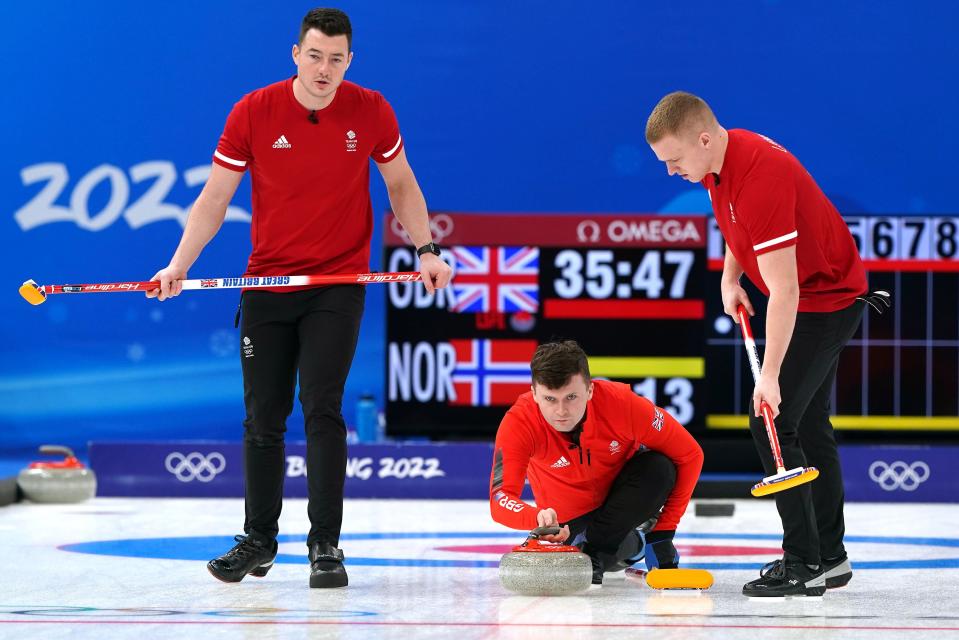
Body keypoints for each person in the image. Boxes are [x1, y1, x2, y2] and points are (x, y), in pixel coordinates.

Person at [147, 8, 452, 588]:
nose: (324, 68)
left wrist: (426, 248)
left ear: (350, 62)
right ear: (295, 53)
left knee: (322, 407)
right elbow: (214, 198)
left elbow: (401, 183)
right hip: (266, 285)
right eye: (315, 55)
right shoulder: (253, 112)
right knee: (263, 418)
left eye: (336, 58)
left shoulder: (371, 109)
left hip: (336, 286)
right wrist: (179, 266)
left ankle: (325, 545)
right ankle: (258, 540)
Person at [645, 91, 885, 597]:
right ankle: (830, 558)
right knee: (809, 425)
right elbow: (739, 230)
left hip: (827, 299)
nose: (670, 171)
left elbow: (787, 290)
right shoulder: (717, 165)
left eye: (673, 160)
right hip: (816, 295)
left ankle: (804, 563)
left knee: (771, 418)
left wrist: (770, 375)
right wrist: (731, 278)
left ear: (703, 139)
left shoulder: (760, 178)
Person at [489, 340, 703, 585]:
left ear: (590, 389)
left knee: (659, 467)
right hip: (568, 525)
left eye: (571, 397)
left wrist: (664, 532)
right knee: (614, 553)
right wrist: (537, 517)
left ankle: (627, 543)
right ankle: (620, 547)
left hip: (625, 505)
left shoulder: (622, 404)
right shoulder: (518, 422)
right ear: (534, 393)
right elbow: (500, 498)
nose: (561, 411)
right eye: (550, 399)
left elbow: (690, 454)